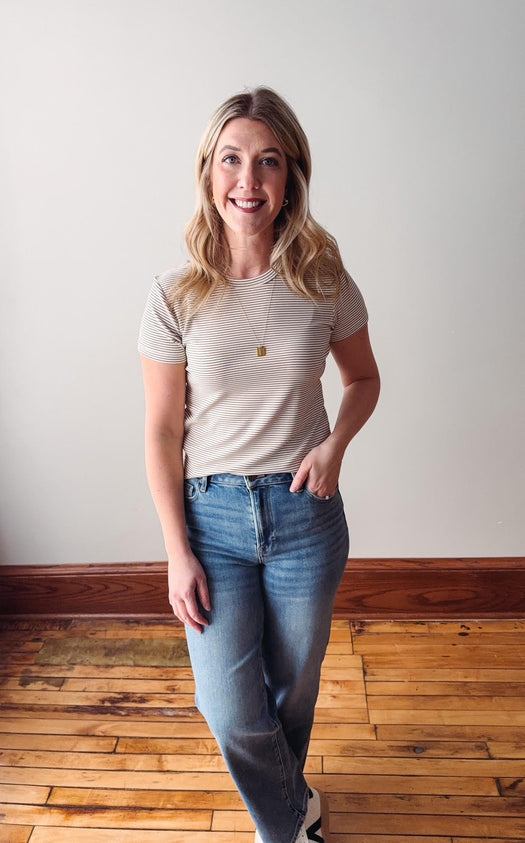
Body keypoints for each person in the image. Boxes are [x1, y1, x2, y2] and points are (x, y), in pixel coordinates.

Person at [138, 87, 380, 843]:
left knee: (292, 690)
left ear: (291, 177)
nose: (249, 178)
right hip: (211, 518)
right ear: (209, 171)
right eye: (233, 158)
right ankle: (286, 822)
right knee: (229, 703)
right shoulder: (175, 294)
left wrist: (335, 444)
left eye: (268, 161)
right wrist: (177, 552)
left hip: (306, 514)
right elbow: (157, 430)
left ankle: (284, 812)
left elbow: (364, 380)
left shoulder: (323, 276)